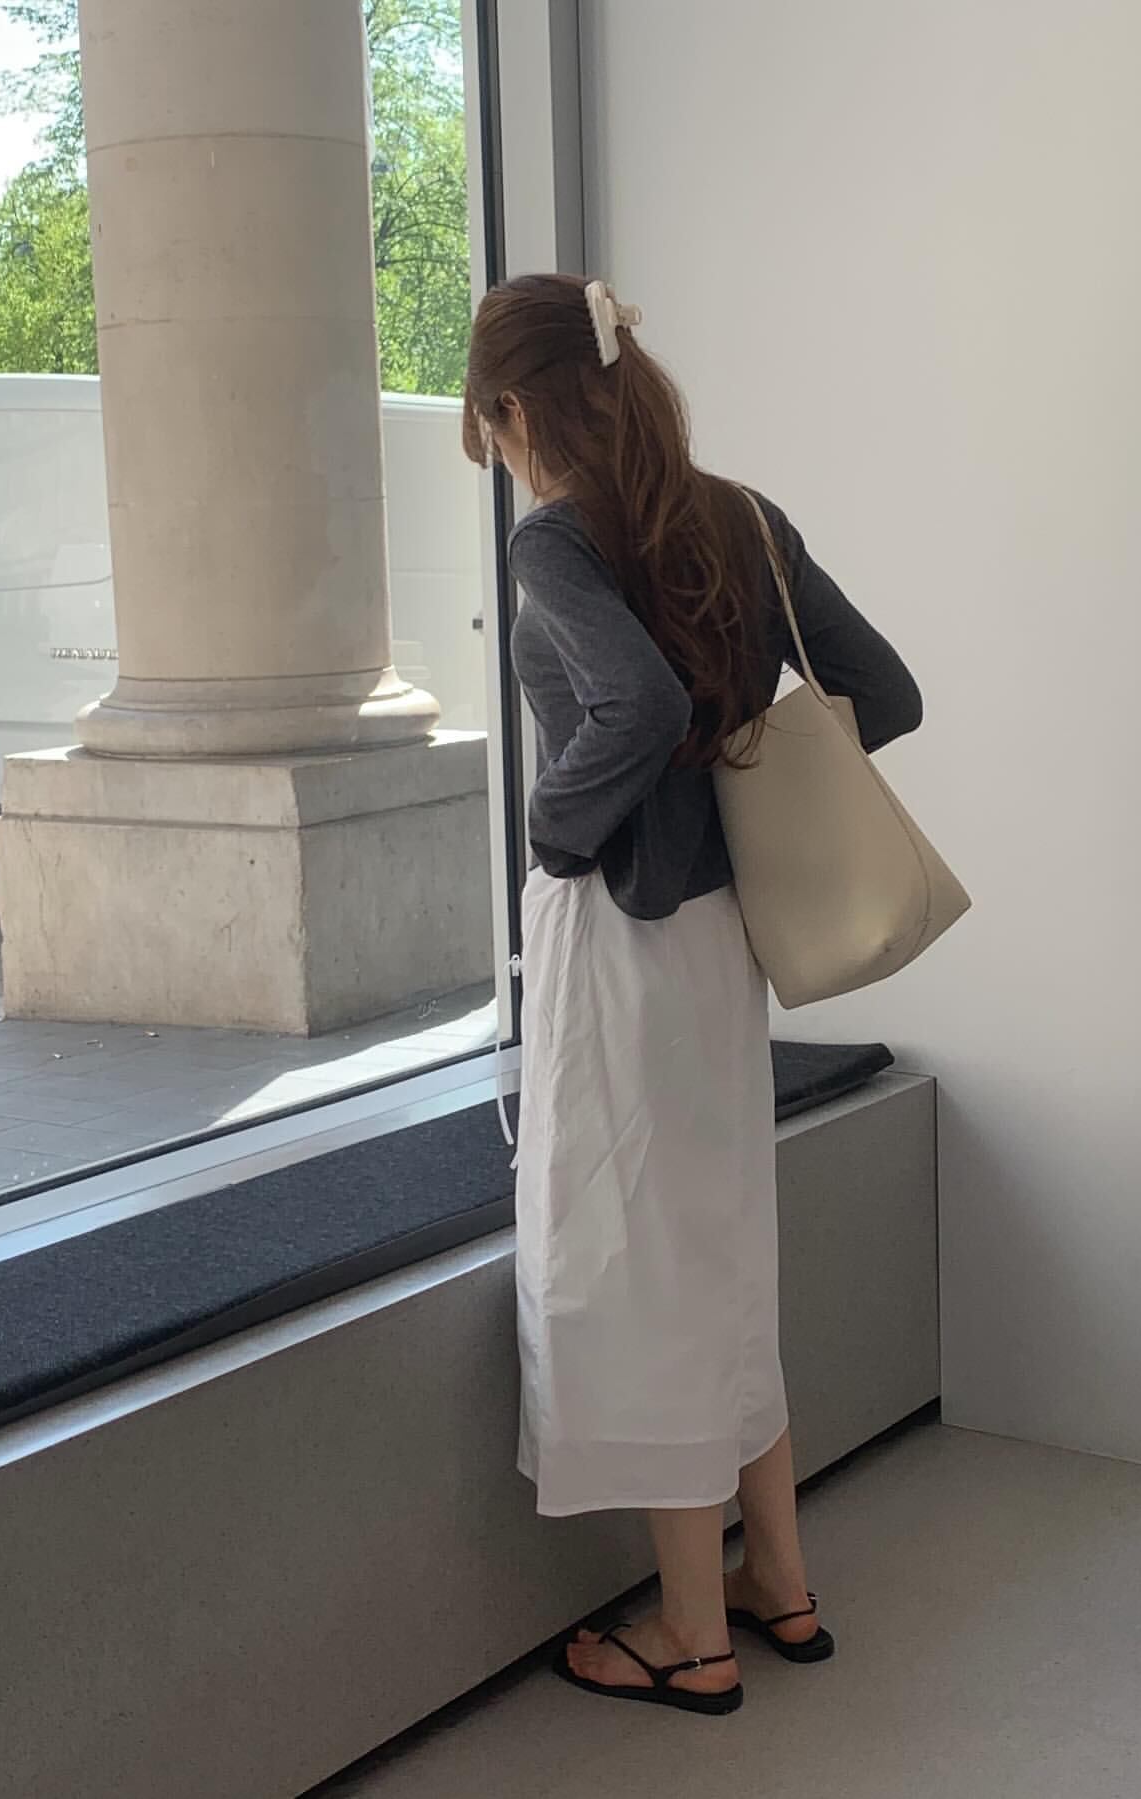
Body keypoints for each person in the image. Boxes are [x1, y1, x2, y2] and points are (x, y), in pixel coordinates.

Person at [463, 273, 923, 1716]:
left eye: (491, 429)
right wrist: (741, 770)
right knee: (722, 1253)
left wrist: (557, 828)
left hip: (618, 942)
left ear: (518, 408)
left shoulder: (557, 541)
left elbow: (637, 707)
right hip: (727, 939)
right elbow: (884, 690)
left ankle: (690, 1633)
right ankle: (777, 1582)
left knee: (644, 1263)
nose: (499, 455)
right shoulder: (737, 517)